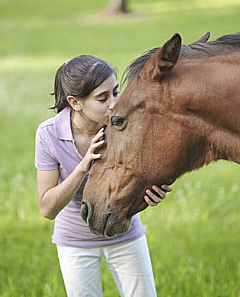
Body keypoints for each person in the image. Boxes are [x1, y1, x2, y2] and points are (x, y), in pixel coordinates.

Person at [35, 55, 172, 297]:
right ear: (75, 102)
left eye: (116, 93)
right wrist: (82, 167)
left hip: (125, 233)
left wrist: (150, 192)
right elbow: (47, 209)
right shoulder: (50, 134)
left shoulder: (126, 126)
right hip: (75, 241)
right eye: (103, 98)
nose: (114, 104)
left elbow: (142, 177)